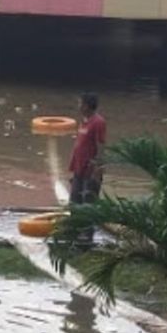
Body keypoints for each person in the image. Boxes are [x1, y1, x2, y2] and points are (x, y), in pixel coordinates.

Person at [68, 93, 107, 246]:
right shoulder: (84, 122)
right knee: (74, 201)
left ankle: (86, 237)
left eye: (80, 103)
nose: (78, 106)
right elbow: (79, 146)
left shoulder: (98, 122)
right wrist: (73, 169)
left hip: (91, 172)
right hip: (79, 170)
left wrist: (98, 169)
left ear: (86, 105)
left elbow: (101, 147)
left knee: (88, 204)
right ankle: (74, 231)